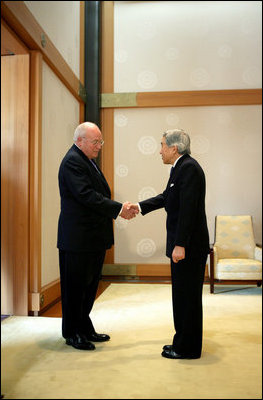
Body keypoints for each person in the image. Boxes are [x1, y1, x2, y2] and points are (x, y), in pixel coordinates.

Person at [129, 129, 210, 359]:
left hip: (189, 247)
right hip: (184, 244)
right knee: (181, 295)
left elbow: (188, 209)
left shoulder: (189, 169)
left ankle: (187, 348)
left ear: (174, 148)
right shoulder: (180, 168)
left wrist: (180, 244)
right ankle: (181, 341)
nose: (160, 150)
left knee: (188, 297)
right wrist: (140, 206)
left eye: (163, 145)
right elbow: (167, 197)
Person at [57, 121, 138, 350]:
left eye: (100, 141)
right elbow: (86, 196)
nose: (99, 146)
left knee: (89, 286)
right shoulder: (73, 161)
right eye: (95, 141)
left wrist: (118, 208)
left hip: (91, 238)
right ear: (79, 141)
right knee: (75, 288)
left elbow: (96, 194)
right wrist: (119, 209)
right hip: (77, 239)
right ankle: (72, 333)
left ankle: (84, 326)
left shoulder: (87, 161)